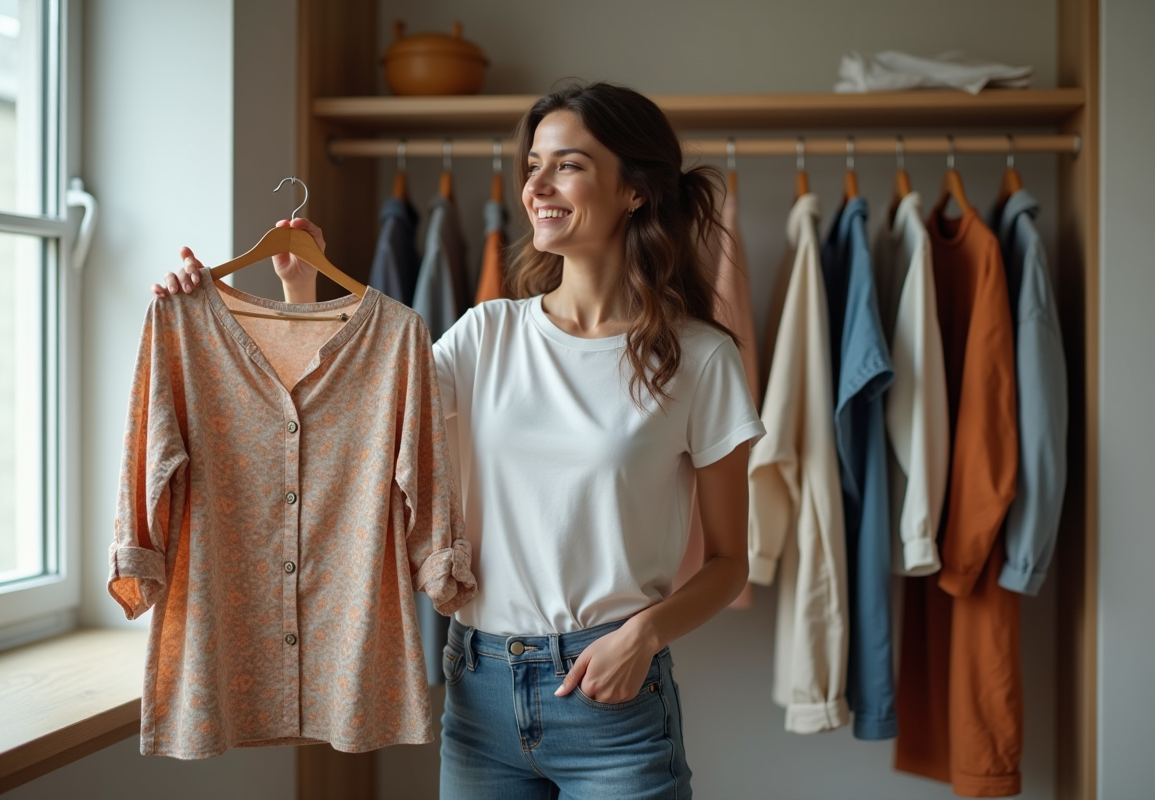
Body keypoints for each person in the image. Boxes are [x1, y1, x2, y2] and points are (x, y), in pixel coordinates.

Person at [153, 82, 764, 800]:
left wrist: (644, 636)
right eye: (532, 164)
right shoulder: (486, 334)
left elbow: (728, 563)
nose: (536, 185)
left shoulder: (699, 359)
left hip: (613, 704)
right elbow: (346, 426)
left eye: (566, 164)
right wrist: (295, 299)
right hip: (478, 694)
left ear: (635, 190)